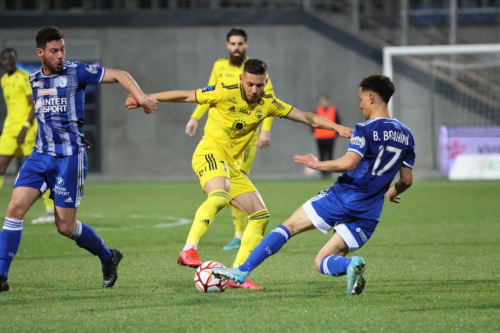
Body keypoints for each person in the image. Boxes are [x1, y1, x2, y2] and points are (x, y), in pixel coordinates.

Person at [125, 59, 351, 289]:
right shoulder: (223, 92)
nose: (255, 90)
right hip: (209, 152)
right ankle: (188, 249)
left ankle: (237, 274)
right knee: (220, 196)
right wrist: (144, 96)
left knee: (260, 215)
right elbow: (185, 95)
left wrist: (337, 128)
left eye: (260, 85)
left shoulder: (268, 103)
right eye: (251, 84)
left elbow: (306, 117)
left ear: (266, 82)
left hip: (231, 166)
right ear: (241, 79)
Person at [212, 74, 415, 294]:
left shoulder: (364, 129)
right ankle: (351, 264)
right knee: (322, 261)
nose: (360, 105)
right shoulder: (407, 135)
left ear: (372, 98)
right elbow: (406, 179)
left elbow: (349, 163)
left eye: (362, 99)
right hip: (370, 212)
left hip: (342, 197)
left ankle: (242, 271)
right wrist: (393, 191)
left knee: (288, 227)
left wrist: (317, 165)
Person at [0, 26, 159, 292]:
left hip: (69, 160)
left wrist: (141, 98)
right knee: (15, 209)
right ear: (40, 52)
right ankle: (1, 275)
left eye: (62, 49)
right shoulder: (35, 80)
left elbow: (120, 74)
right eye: (54, 51)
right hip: (40, 157)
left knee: (65, 226)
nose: (60, 55)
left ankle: (108, 256)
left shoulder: (77, 72)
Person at [185, 28, 276, 251]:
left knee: (238, 178)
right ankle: (236, 232)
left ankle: (239, 233)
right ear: (228, 46)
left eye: (240, 44)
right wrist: (195, 117)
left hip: (245, 138)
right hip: (220, 137)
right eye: (233, 44)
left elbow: (270, 102)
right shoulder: (219, 66)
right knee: (225, 185)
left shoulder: (256, 73)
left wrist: (266, 130)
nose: (236, 47)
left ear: (246, 45)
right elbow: (207, 95)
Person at [0, 48, 55, 224]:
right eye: (6, 59)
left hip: (28, 128)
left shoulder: (24, 76)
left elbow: (34, 104)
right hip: (10, 129)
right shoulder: (4, 80)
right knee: (0, 166)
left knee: (39, 168)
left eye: (12, 59)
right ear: (2, 62)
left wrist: (25, 127)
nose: (9, 62)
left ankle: (50, 211)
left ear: (16, 60)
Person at [313, 94, 338, 179]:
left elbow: (337, 121)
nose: (323, 102)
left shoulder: (333, 110)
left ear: (328, 101)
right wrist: (314, 132)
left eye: (324, 100)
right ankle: (323, 174)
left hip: (330, 137)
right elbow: (312, 122)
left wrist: (336, 133)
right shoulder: (317, 110)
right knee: (321, 156)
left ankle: (329, 173)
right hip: (320, 137)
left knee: (330, 155)